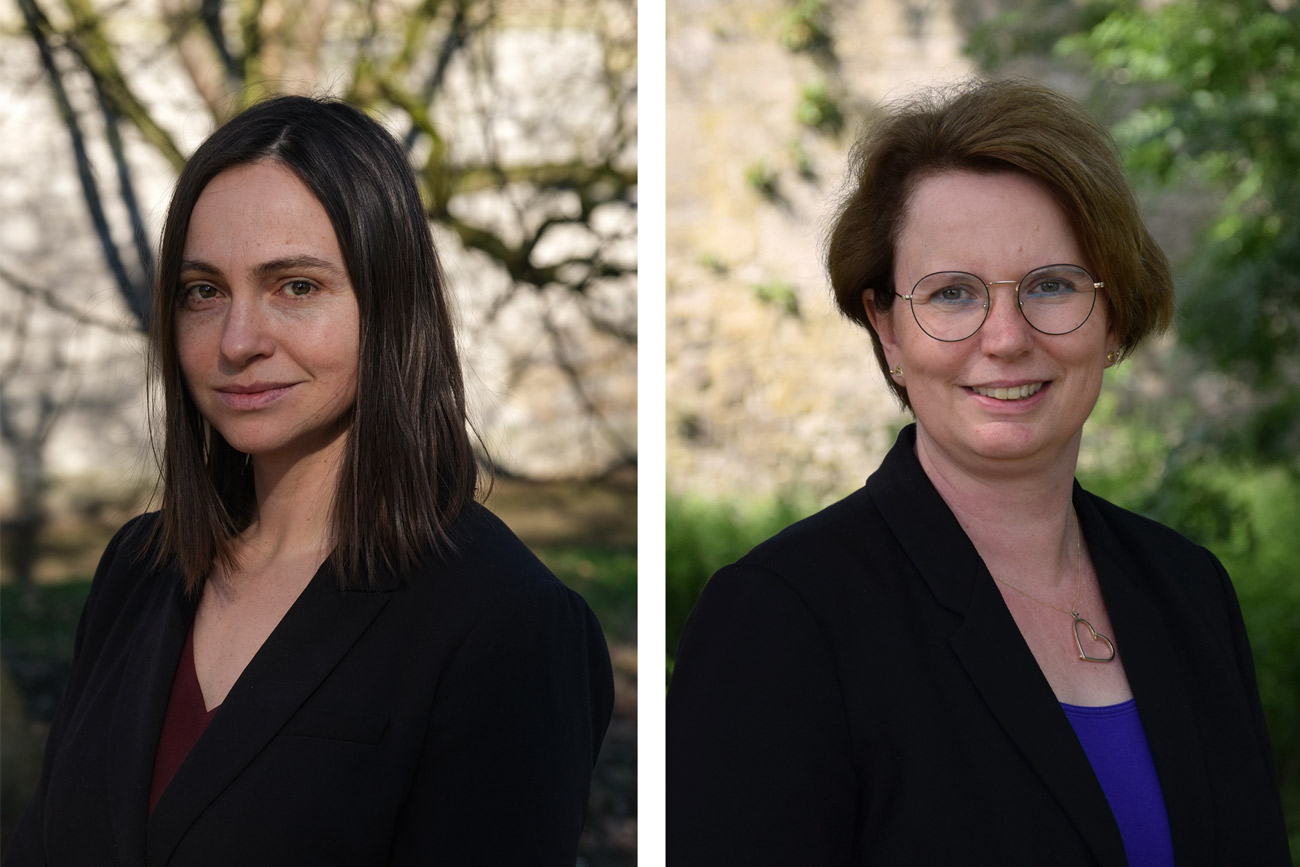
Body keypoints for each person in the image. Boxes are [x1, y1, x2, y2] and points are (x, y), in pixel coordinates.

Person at [667, 78, 1290, 865]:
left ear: (1114, 315)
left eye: (1052, 286)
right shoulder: (783, 620)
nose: (1005, 337)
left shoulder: (1191, 590)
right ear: (887, 329)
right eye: (953, 293)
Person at [7, 95, 613, 866]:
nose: (237, 340)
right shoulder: (138, 569)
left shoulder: (505, 624)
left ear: (390, 305)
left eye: (295, 286)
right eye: (204, 291)